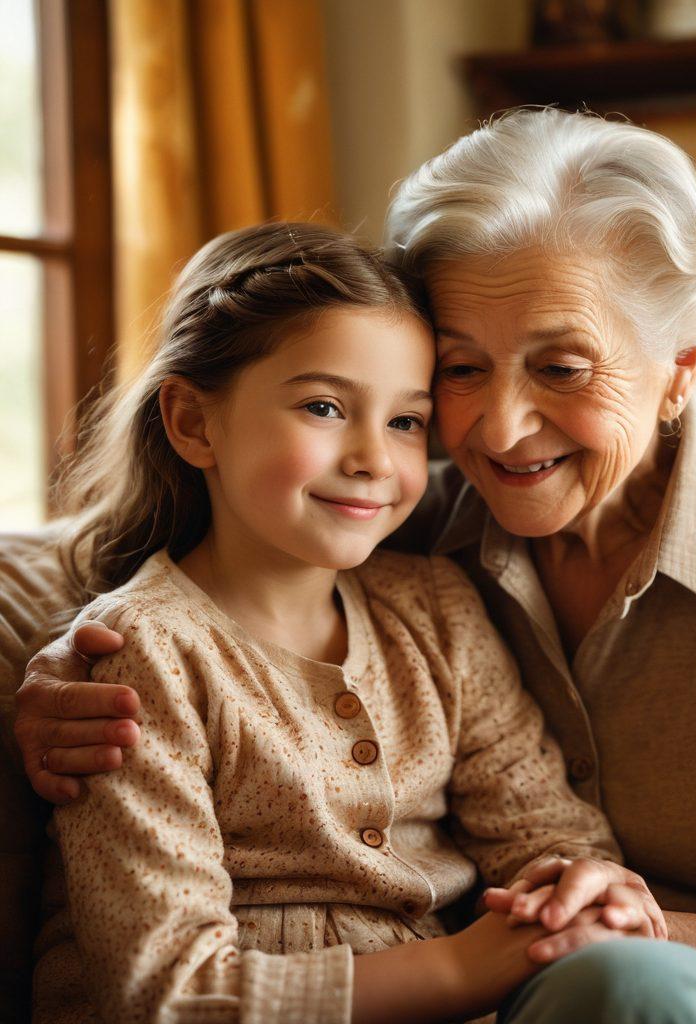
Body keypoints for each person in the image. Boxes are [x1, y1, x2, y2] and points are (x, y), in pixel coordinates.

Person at [14, 110, 696, 1023]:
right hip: (532, 987)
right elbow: (170, 552)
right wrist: (47, 669)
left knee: (617, 989)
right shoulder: (410, 517)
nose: (496, 430)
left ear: (679, 365)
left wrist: (612, 932)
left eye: (561, 366)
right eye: (459, 369)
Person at [21, 222, 660, 1024]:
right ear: (192, 422)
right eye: (324, 407)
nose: (373, 459)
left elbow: (541, 828)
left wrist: (576, 888)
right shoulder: (144, 655)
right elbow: (167, 993)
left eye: (406, 421)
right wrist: (466, 966)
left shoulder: (437, 611)